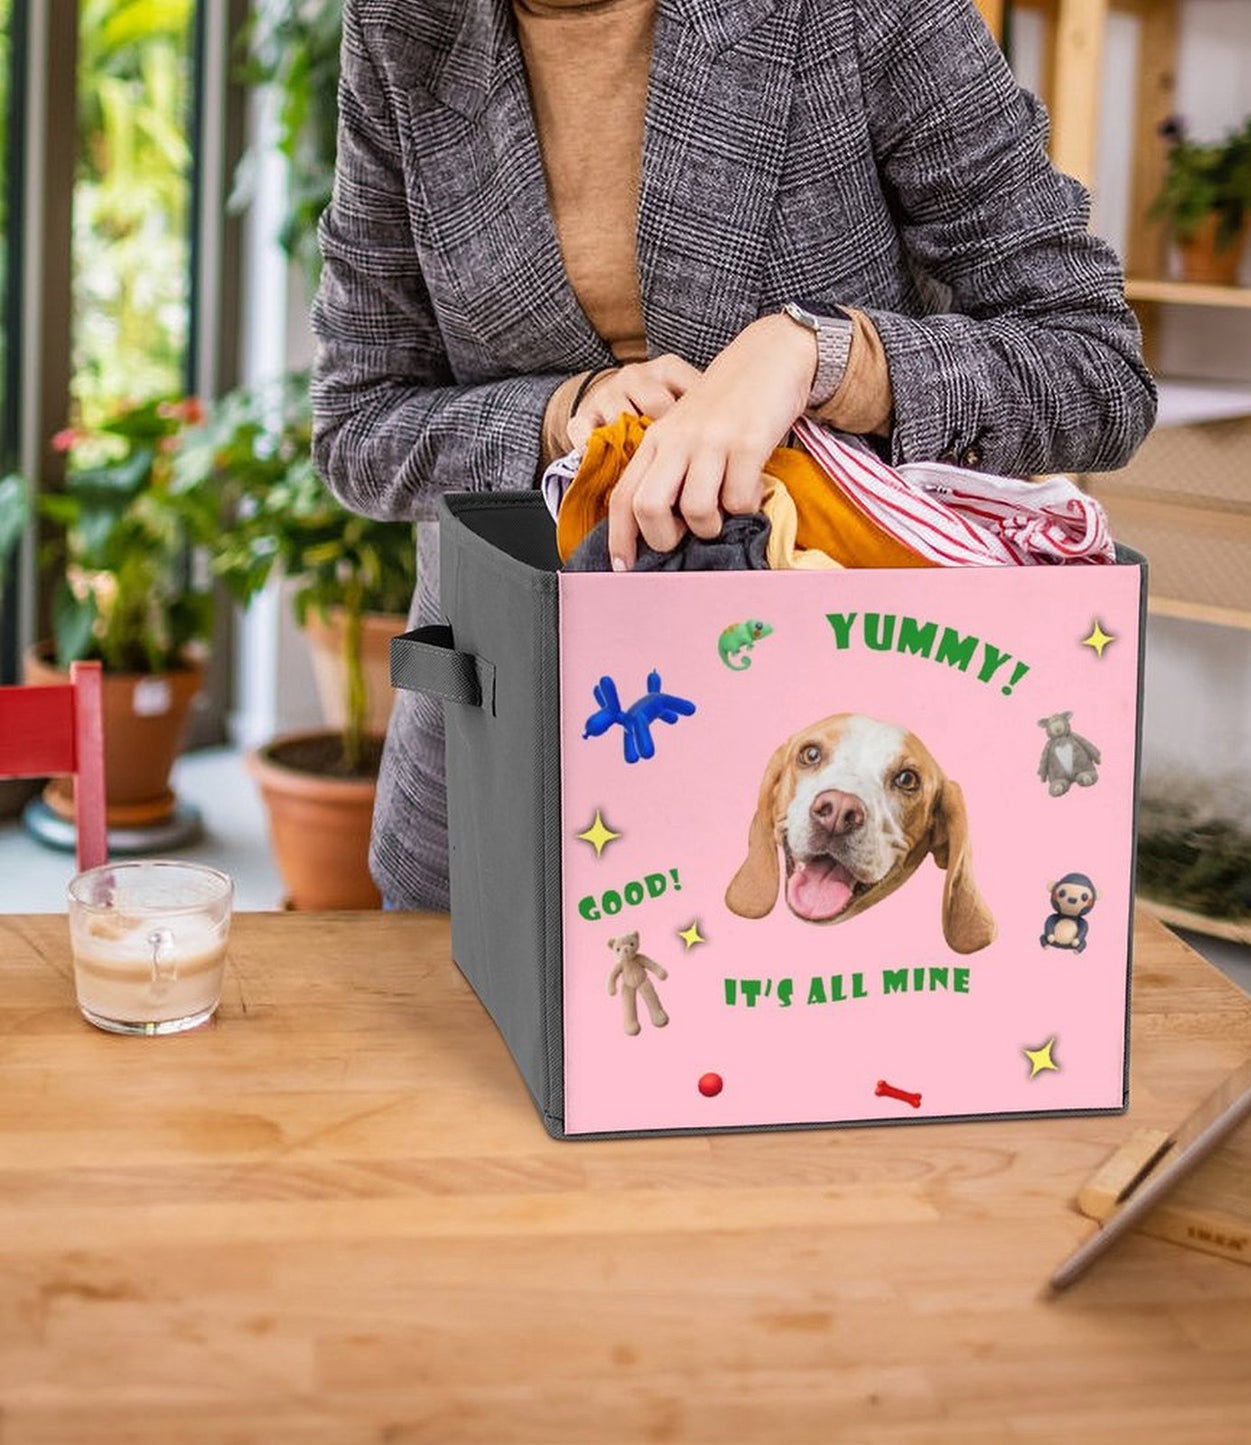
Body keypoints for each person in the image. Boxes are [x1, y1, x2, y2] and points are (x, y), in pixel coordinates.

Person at [311, 0, 1157, 913]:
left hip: (823, 733)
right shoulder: (404, 24)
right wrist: (565, 413)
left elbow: (1095, 369)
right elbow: (362, 426)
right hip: (500, 737)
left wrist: (820, 358)